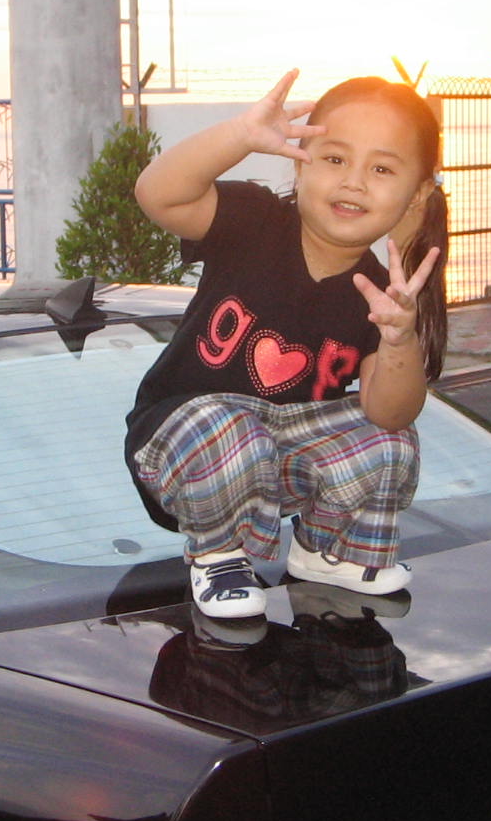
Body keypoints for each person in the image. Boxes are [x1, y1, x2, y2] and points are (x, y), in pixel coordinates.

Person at [125, 69, 449, 619]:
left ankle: (329, 550)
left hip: (278, 463)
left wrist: (399, 337)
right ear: (300, 161)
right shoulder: (252, 220)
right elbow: (158, 195)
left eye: (382, 169)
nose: (354, 182)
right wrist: (239, 135)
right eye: (335, 158)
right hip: (182, 446)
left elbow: (391, 413)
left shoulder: (381, 296)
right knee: (232, 430)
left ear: (417, 194)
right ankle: (220, 555)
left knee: (390, 439)